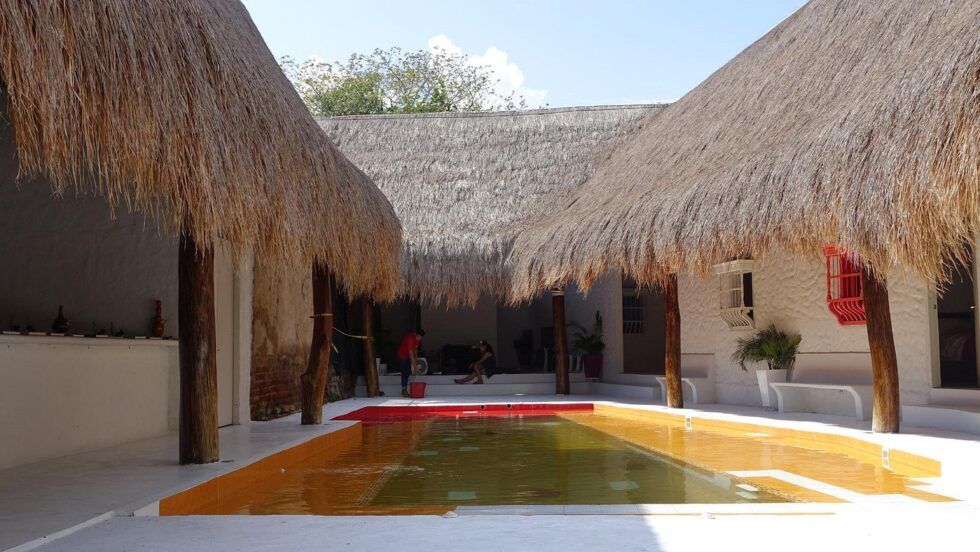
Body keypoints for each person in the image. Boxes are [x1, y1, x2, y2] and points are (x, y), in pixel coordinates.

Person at [396, 329, 425, 397]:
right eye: (419, 337)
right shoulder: (410, 339)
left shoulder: (417, 339)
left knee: (408, 372)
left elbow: (415, 349)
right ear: (416, 335)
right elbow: (411, 354)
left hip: (408, 356)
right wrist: (415, 367)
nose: (419, 339)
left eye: (421, 338)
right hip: (402, 355)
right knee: (404, 372)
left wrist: (416, 359)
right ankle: (404, 390)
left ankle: (406, 388)